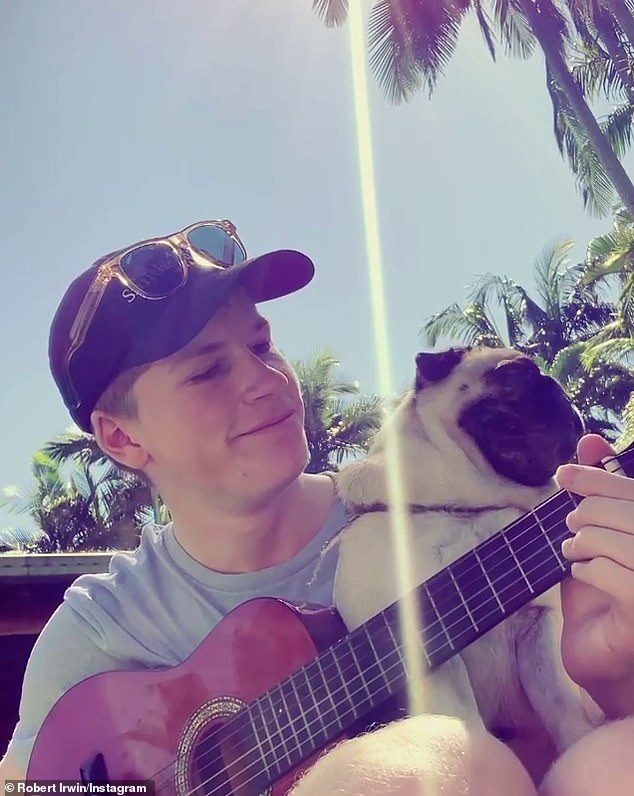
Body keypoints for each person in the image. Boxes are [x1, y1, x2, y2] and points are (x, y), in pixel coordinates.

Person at [1, 218, 633, 795]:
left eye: (261, 344)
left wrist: (611, 669)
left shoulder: (432, 514)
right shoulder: (103, 629)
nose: (266, 379)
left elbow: (569, 722)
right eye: (205, 373)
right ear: (123, 438)